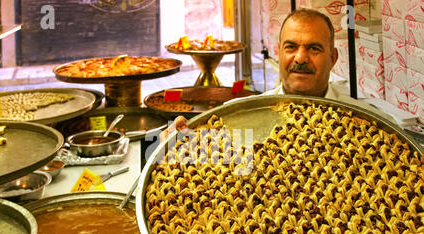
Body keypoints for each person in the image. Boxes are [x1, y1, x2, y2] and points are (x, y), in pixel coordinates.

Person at [160, 8, 390, 140]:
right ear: (279, 54)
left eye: (314, 48)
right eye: (291, 47)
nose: (300, 58)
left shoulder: (369, 123)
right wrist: (177, 143)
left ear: (333, 59)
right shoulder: (240, 117)